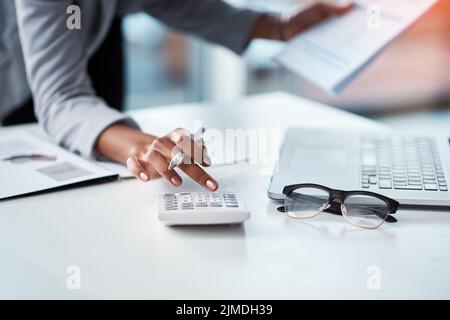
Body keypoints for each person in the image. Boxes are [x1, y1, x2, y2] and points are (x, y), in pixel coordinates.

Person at [5, 0, 351, 191]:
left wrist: (278, 25)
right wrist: (143, 146)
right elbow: (62, 98)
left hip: (93, 27)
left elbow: (166, 1)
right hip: (16, 84)